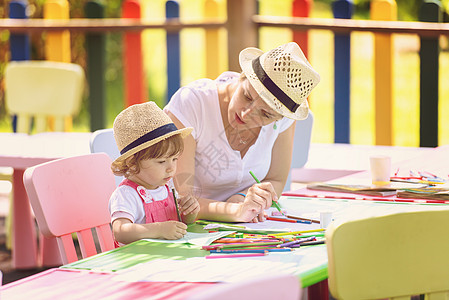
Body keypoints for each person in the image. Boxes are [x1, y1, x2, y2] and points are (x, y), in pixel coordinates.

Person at [164, 42, 320, 223]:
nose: (246, 114)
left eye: (266, 114)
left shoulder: (285, 116)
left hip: (246, 227)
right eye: (247, 96)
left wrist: (242, 198)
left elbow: (276, 180)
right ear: (242, 77)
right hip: (183, 229)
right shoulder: (192, 104)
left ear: (279, 118)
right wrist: (236, 211)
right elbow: (182, 203)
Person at [109, 101, 199, 245]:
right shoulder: (126, 194)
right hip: (137, 262)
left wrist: (189, 213)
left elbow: (177, 224)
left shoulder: (165, 188)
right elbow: (120, 231)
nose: (171, 168)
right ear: (132, 163)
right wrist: (158, 229)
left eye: (174, 159)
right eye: (161, 162)